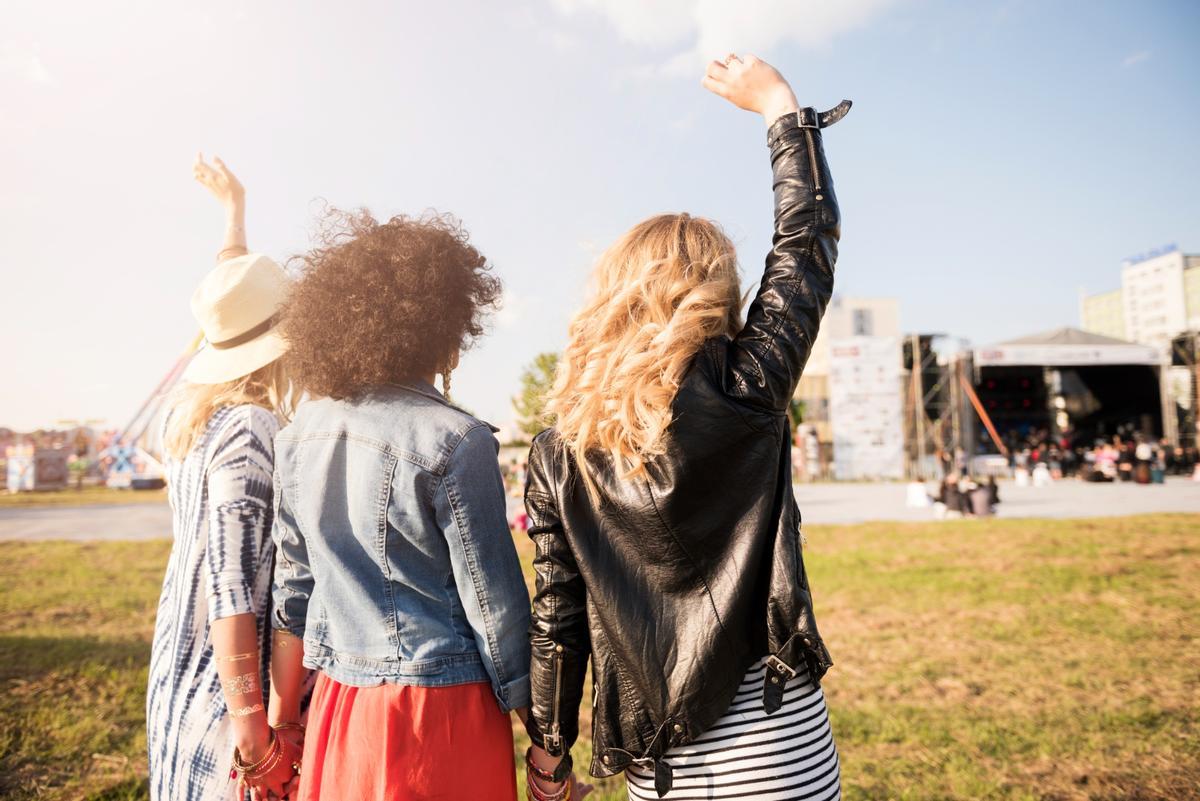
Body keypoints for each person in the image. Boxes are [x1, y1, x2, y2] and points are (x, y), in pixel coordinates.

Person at [522, 56, 846, 800]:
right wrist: (779, 109)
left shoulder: (555, 454)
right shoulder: (747, 386)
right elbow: (806, 248)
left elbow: (556, 619)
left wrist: (548, 753)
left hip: (660, 765)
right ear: (713, 298)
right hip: (776, 737)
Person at [265, 209, 533, 800]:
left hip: (340, 703)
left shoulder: (297, 434)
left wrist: (283, 725)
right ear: (444, 322)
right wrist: (543, 741)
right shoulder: (457, 441)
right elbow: (497, 612)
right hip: (439, 712)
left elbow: (293, 595)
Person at [146, 155, 301, 800]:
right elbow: (233, 586)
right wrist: (253, 728)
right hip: (225, 696)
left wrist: (234, 213)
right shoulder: (250, 430)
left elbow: (231, 302)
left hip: (177, 667)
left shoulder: (190, 418)